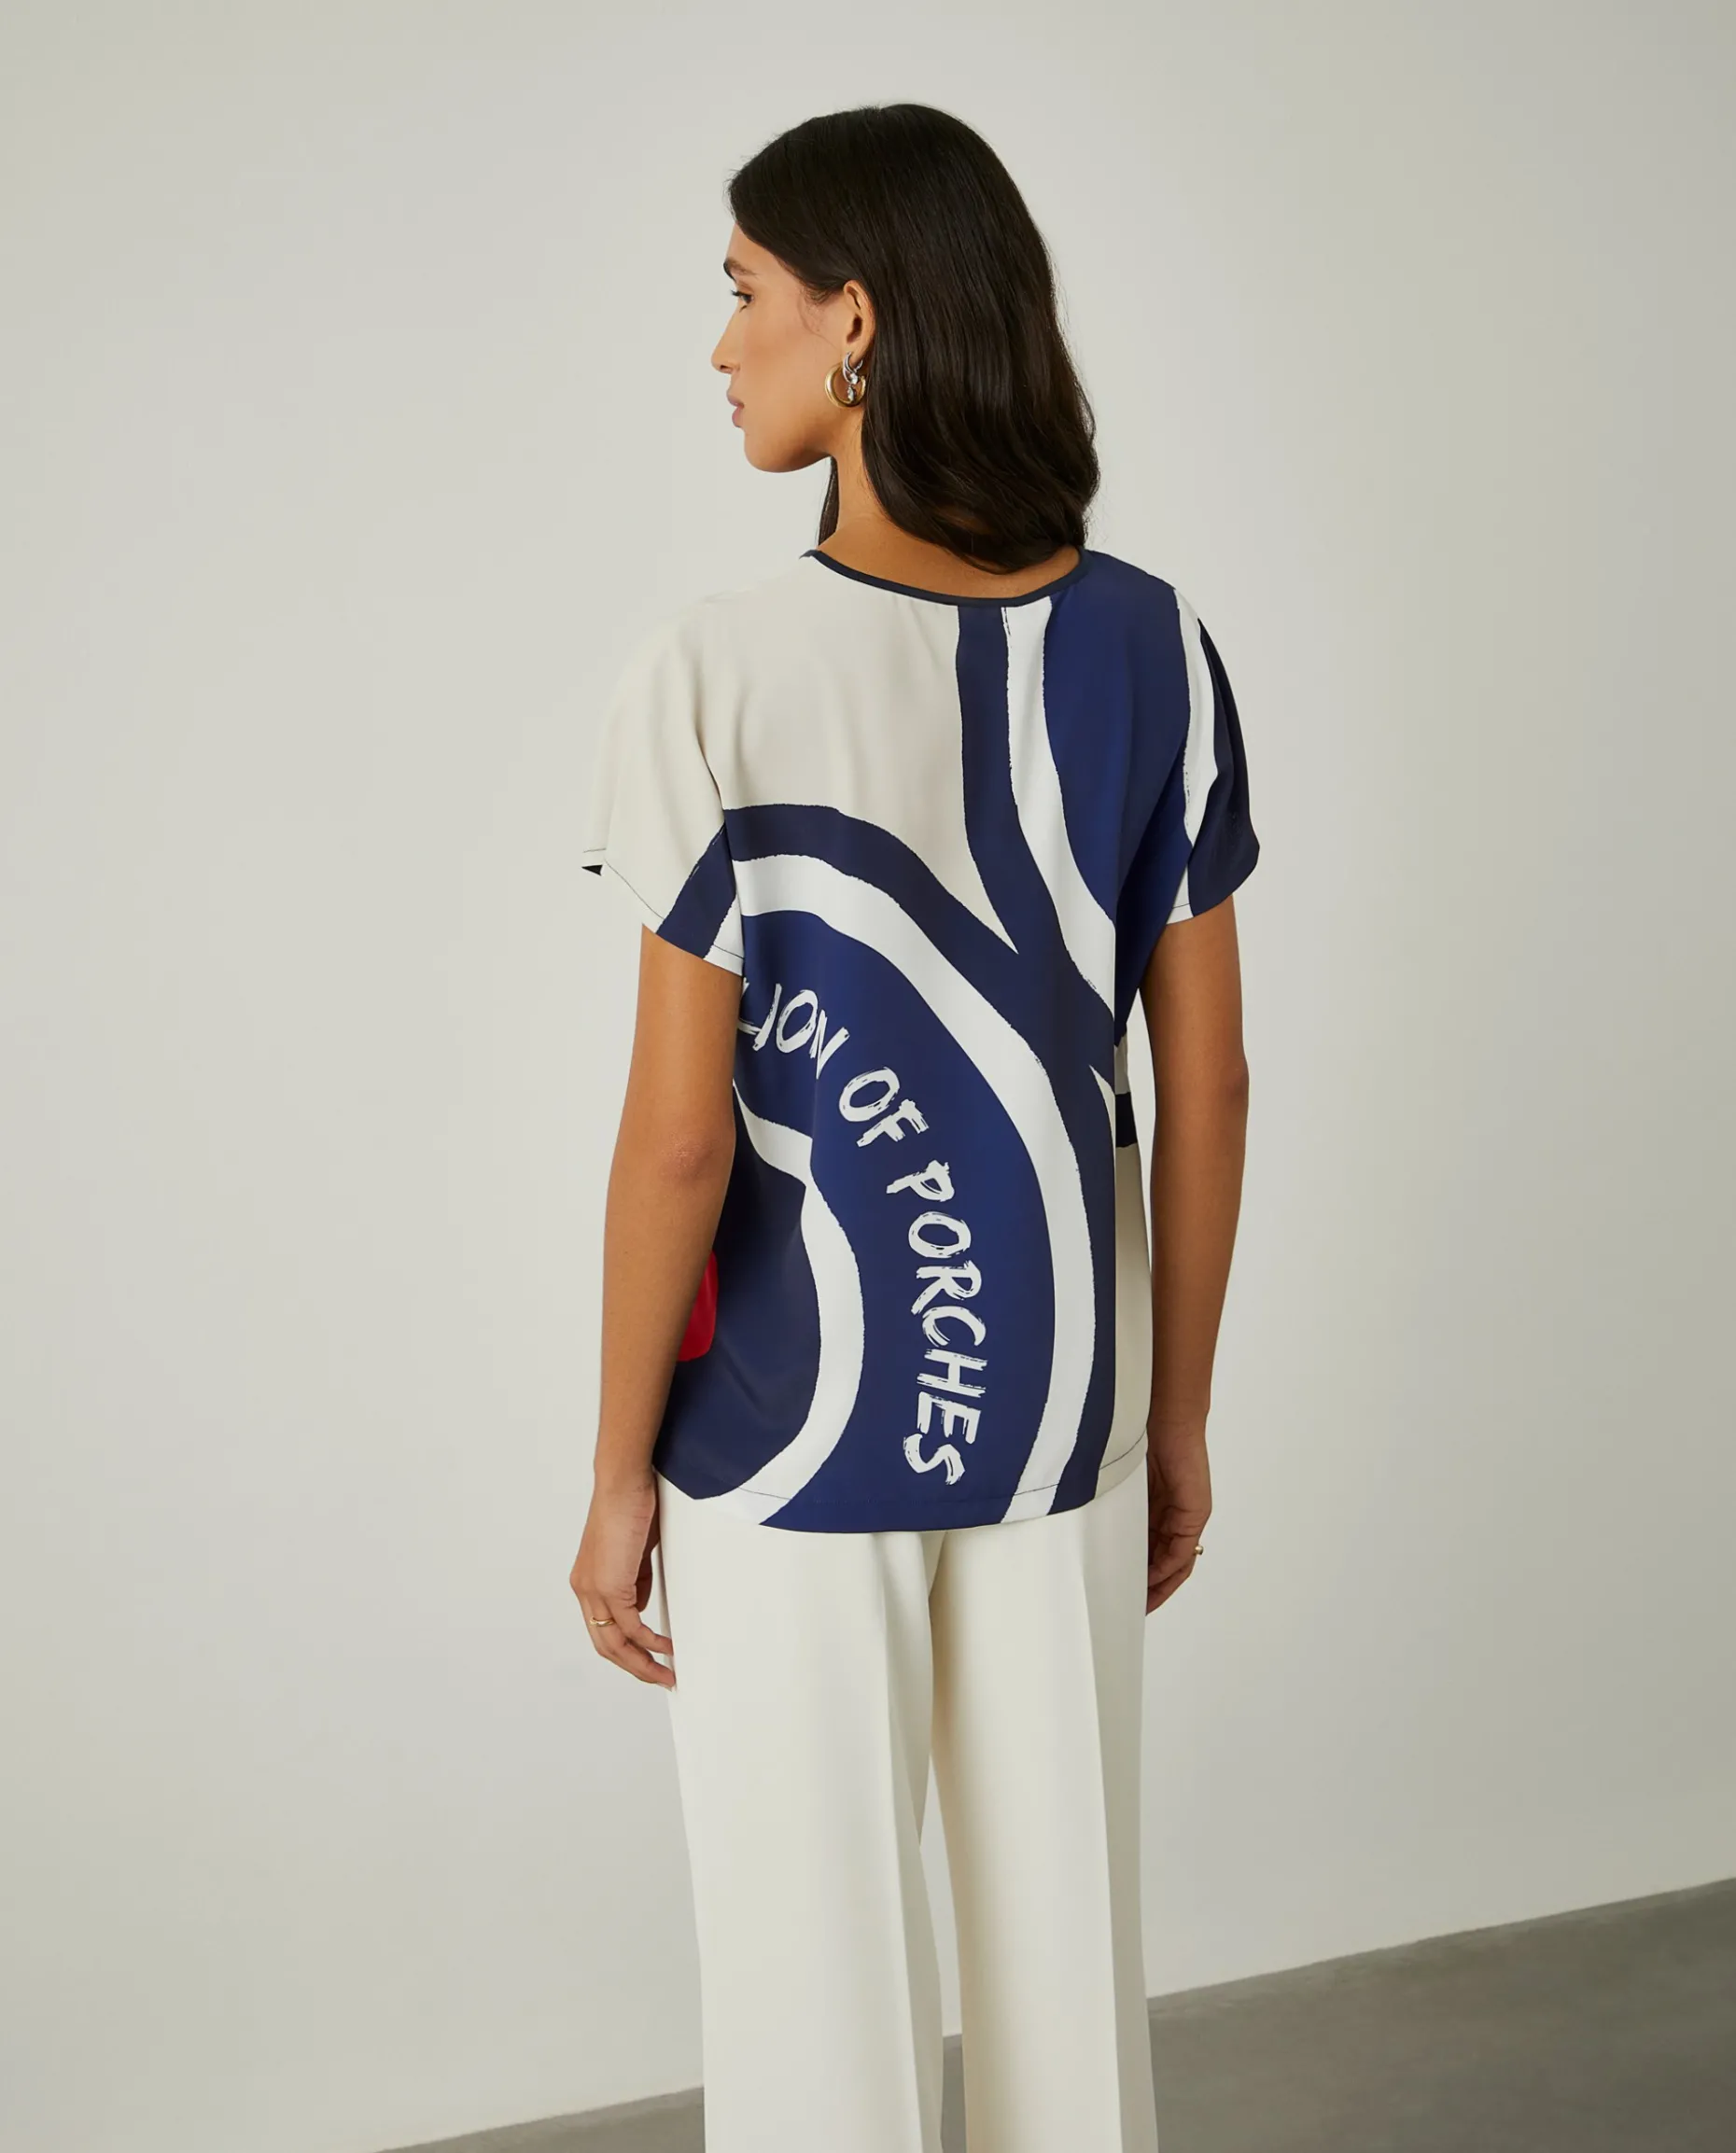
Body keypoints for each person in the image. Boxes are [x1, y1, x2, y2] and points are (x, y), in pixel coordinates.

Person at [569, 102, 1257, 2153]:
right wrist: (1177, 1414)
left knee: (818, 2007)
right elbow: (1208, 1081)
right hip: (1060, 1408)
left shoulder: (713, 673)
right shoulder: (1153, 646)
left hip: (783, 1440)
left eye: (744, 294)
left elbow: (678, 1144)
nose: (721, 346)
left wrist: (614, 1475)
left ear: (853, 320)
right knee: (1068, 1979)